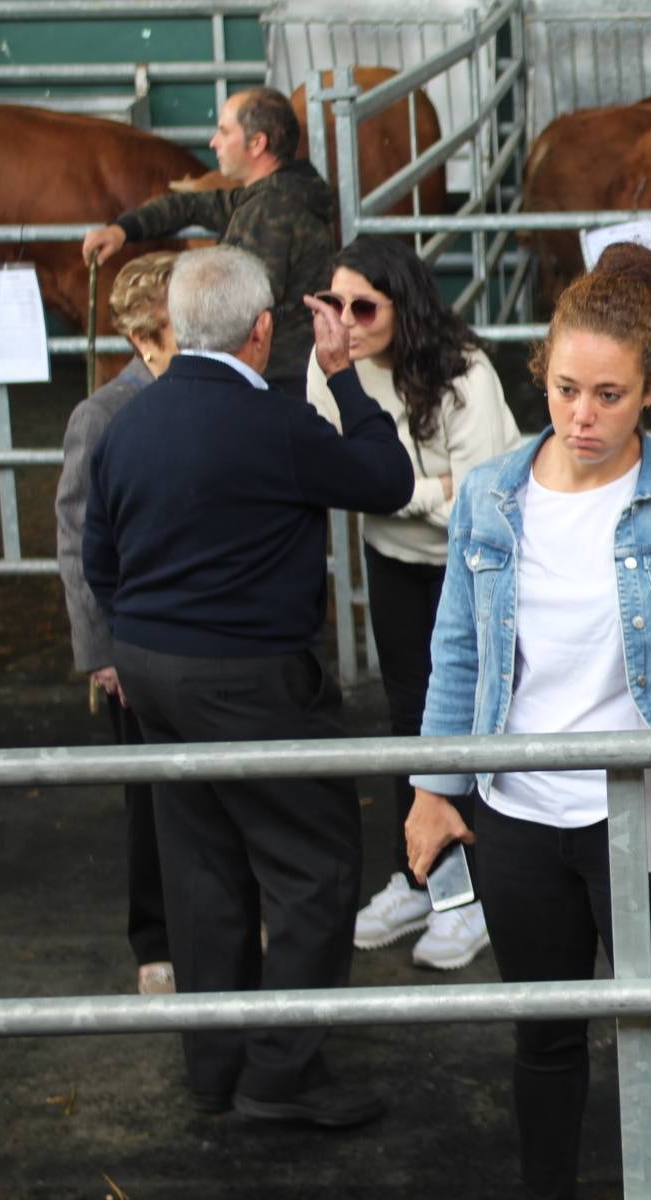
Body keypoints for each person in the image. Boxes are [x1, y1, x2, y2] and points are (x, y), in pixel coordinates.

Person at [403, 243, 651, 1200]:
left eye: (610, 395)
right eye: (567, 388)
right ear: (542, 373)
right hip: (522, 812)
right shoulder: (490, 497)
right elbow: (458, 651)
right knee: (546, 1034)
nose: (583, 416)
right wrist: (435, 786)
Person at [81, 244, 411, 1127]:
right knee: (314, 864)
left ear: (179, 326)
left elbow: (98, 560)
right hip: (252, 674)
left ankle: (214, 1068)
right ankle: (278, 1073)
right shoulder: (277, 424)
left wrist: (145, 634)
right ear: (264, 331)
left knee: (202, 868)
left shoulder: (125, 424)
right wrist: (341, 378)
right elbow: (389, 479)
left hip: (151, 669)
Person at [303, 234, 521, 972]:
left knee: (472, 720)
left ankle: (475, 895)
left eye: (364, 305)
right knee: (409, 722)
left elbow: (482, 498)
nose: (346, 320)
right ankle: (421, 876)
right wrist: (417, 494)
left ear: (404, 305)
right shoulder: (333, 367)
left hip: (474, 567)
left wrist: (392, 491)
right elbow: (331, 472)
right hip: (395, 563)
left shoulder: (466, 374)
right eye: (333, 303)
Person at [53, 251, 180, 997]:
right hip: (133, 642)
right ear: (144, 334)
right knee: (148, 799)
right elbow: (76, 536)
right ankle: (155, 940)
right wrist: (100, 652)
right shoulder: (102, 415)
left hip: (176, 638)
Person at [82, 86, 334, 397]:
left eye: (224, 132)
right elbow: (194, 205)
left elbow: (236, 310)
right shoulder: (279, 193)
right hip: (284, 377)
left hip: (272, 383)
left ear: (257, 143)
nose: (213, 142)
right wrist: (124, 229)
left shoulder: (271, 211)